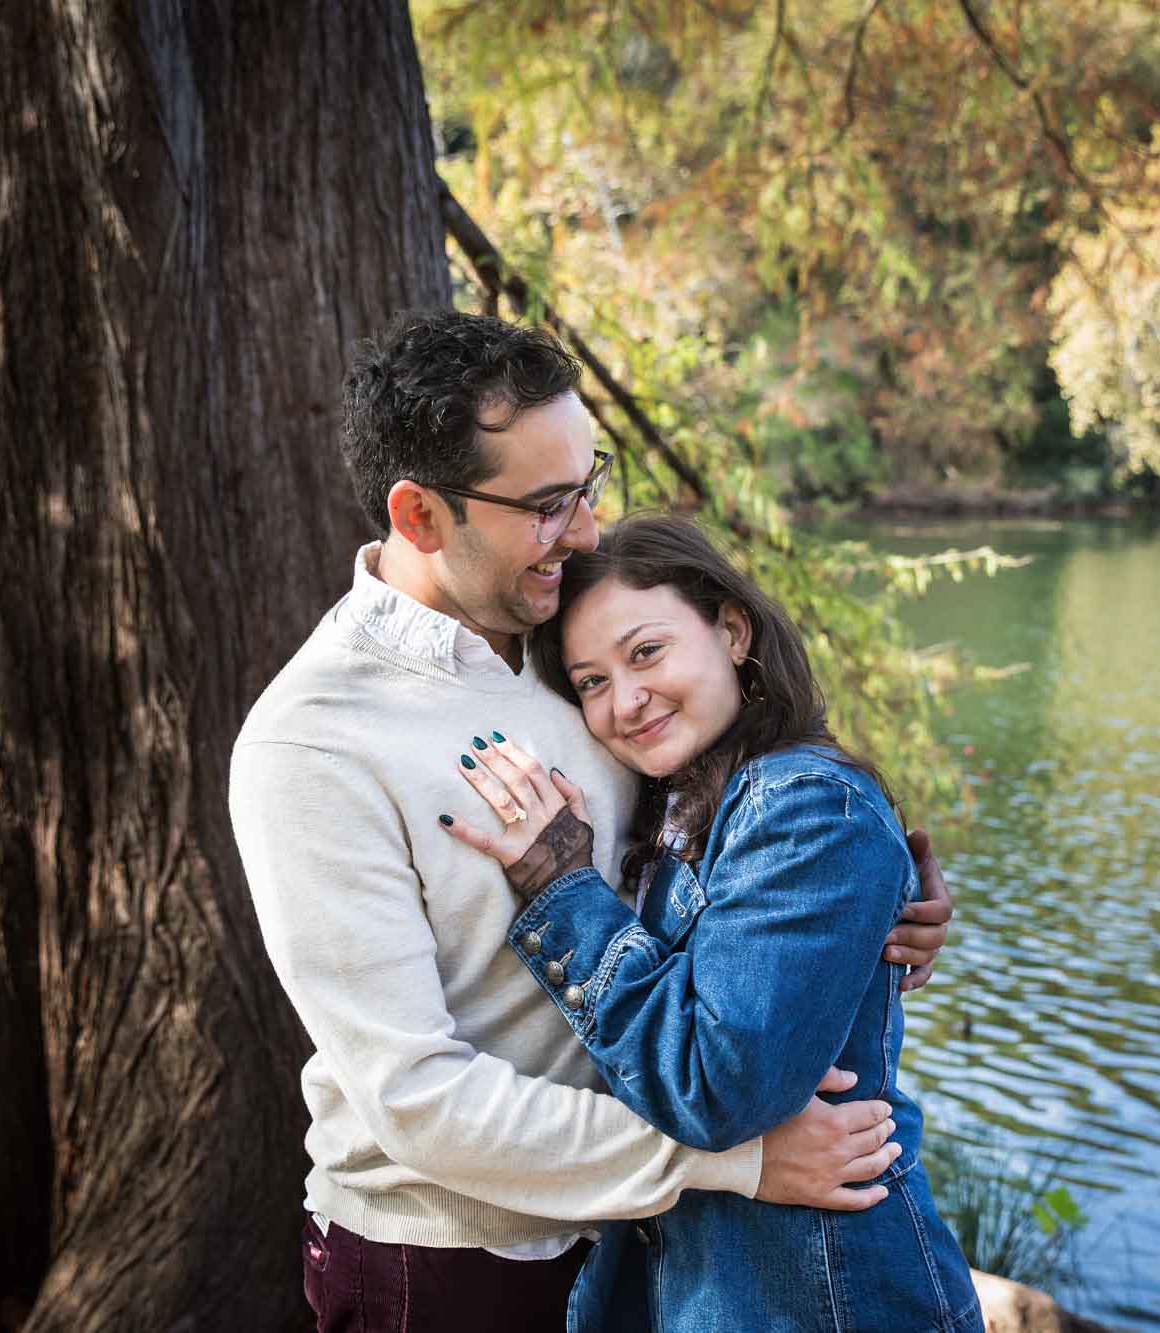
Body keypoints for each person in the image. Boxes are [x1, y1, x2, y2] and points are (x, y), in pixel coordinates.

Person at [228, 310, 956, 1332]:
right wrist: (728, 1158)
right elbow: (416, 1097)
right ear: (420, 514)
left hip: (645, 1248)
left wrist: (871, 897)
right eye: (544, 504)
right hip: (449, 1265)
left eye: (587, 484)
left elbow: (721, 823)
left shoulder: (570, 630)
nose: (581, 530)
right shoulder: (313, 745)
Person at [439, 513, 984, 1332]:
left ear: (732, 629)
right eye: (590, 681)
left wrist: (563, 889)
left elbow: (714, 1086)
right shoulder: (686, 803)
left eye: (646, 652)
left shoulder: (803, 803)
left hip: (825, 1296)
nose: (625, 699)